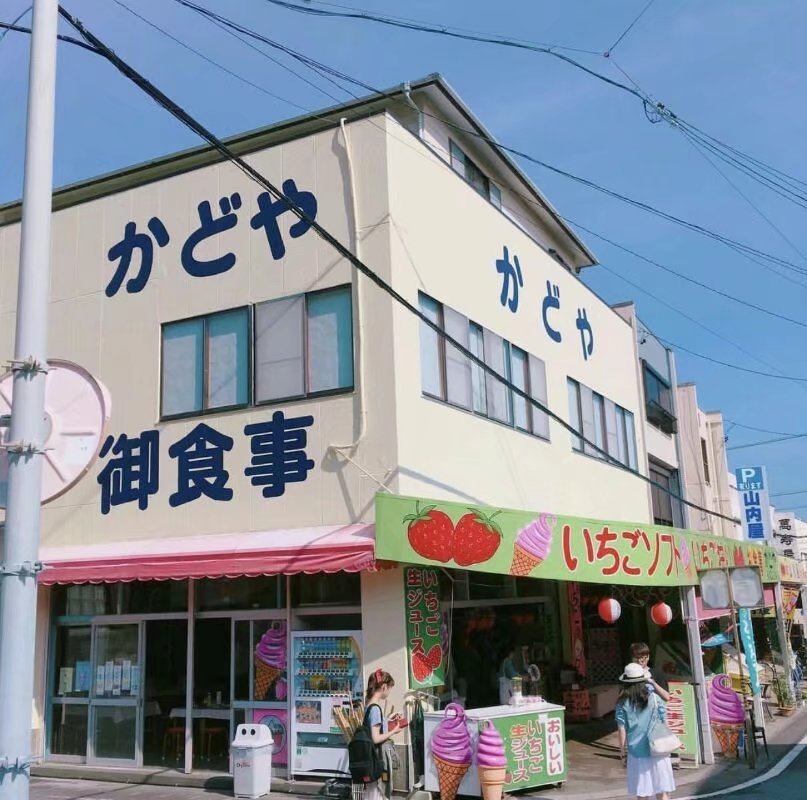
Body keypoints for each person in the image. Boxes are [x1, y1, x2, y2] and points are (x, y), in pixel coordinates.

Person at [616, 663, 676, 800]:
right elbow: (664, 721)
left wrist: (623, 753)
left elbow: (621, 729)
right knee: (662, 791)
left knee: (642, 792)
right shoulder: (654, 698)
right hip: (658, 749)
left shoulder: (622, 703)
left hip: (637, 752)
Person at [364, 669, 403, 800]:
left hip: (369, 758)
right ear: (384, 687)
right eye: (390, 689)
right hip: (377, 757)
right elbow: (376, 738)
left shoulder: (368, 705)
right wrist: (394, 731)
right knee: (378, 792)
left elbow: (372, 727)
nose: (389, 692)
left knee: (372, 792)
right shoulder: (375, 708)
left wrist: (387, 719)